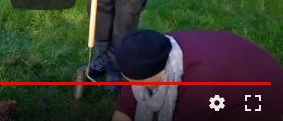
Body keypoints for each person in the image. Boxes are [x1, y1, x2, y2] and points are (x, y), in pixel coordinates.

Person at [112, 30, 283, 121]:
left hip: (262, 93)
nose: (129, 83)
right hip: (230, 66)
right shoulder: (153, 53)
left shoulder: (197, 86)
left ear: (156, 77)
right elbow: (127, 104)